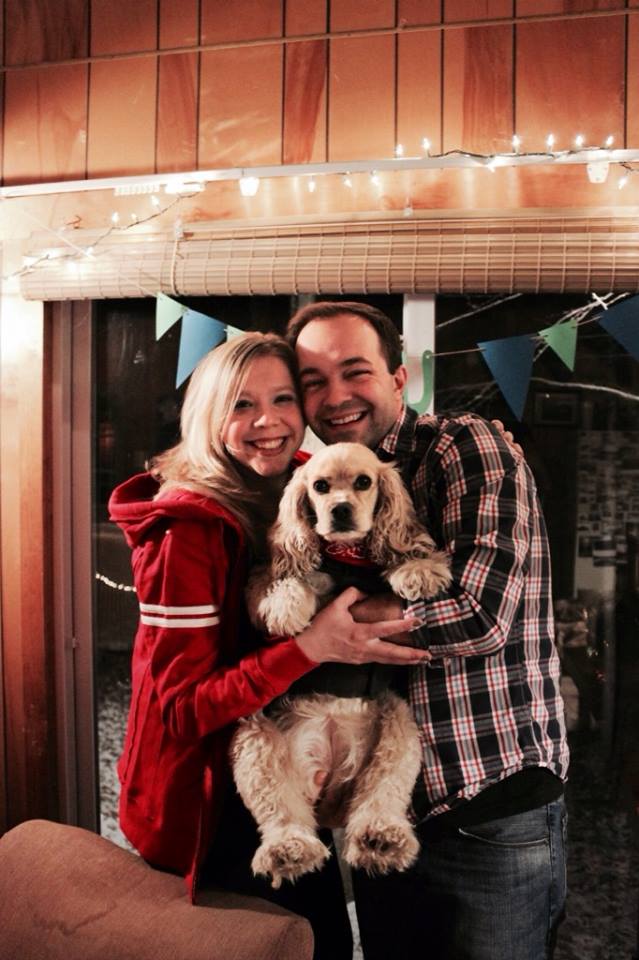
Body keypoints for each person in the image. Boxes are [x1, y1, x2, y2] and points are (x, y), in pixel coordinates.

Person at [108, 332, 427, 960]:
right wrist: (311, 647)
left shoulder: (294, 487)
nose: (269, 421)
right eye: (242, 404)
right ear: (209, 414)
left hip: (292, 765)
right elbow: (182, 711)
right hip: (210, 808)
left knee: (325, 941)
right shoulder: (185, 532)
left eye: (283, 398)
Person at [287, 301, 570, 960]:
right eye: (313, 381)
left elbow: (479, 614)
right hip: (381, 806)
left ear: (399, 377)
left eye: (354, 371)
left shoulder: (464, 447)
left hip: (486, 804)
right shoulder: (324, 485)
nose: (335, 395)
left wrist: (331, 625)